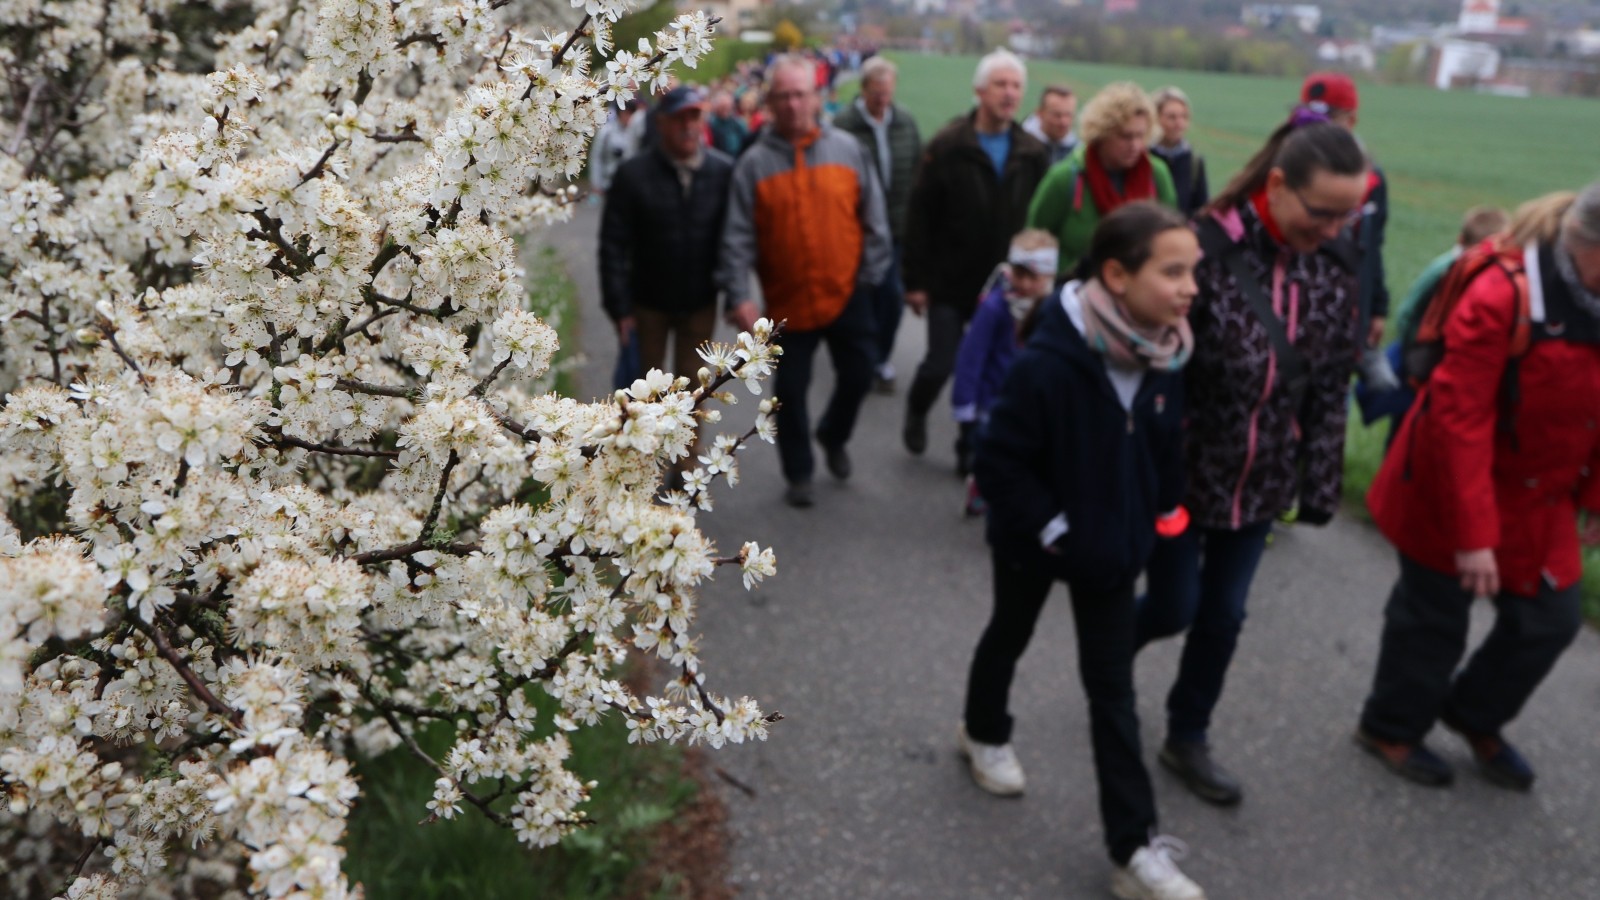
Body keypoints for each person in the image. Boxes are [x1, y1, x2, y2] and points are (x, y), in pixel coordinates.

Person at [960, 202, 1204, 900]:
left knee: (1113, 694)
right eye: (1174, 271)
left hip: (1111, 551)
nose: (1191, 288)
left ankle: (1134, 851)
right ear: (1117, 275)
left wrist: (1165, 513)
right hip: (1038, 539)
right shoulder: (1050, 361)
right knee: (1010, 632)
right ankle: (982, 731)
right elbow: (999, 460)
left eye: (1194, 271)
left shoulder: (1168, 350)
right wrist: (1055, 527)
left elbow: (1161, 443)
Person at [1135, 118, 1369, 807]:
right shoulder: (1200, 251)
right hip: (1182, 472)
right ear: (1276, 185)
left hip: (1260, 479)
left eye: (1347, 214)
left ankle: (1188, 733)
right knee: (1177, 603)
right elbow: (1153, 371)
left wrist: (1319, 481)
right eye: (1320, 211)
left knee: (1226, 614)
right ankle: (1111, 652)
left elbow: (1328, 382)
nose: (1331, 228)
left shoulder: (1333, 265)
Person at [1355, 185, 1600, 791]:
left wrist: (1596, 499)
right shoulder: (1504, 294)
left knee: (1550, 620)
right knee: (1432, 619)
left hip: (1542, 496)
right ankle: (1389, 727)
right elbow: (1457, 421)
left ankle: (1472, 714)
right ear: (1588, 249)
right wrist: (1473, 537)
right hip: (1450, 484)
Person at [717, 55, 892, 509]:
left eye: (801, 94)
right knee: (789, 393)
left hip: (847, 291)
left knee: (859, 374)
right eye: (784, 96)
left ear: (817, 98)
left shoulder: (849, 150)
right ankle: (799, 473)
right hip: (787, 301)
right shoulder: (753, 164)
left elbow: (874, 219)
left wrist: (869, 279)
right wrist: (740, 297)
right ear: (770, 102)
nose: (793, 105)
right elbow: (736, 238)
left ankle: (833, 434)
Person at [901, 48, 1049, 469]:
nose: (1009, 93)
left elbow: (1040, 223)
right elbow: (920, 216)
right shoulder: (949, 145)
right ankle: (917, 406)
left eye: (1016, 85)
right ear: (979, 90)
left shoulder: (1032, 152)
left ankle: (969, 450)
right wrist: (914, 281)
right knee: (942, 363)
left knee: (988, 367)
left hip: (1006, 285)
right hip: (951, 280)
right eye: (1000, 84)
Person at [599, 86, 734, 478]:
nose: (689, 127)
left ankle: (684, 470)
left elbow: (735, 238)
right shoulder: (633, 175)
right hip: (647, 304)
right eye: (680, 119)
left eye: (695, 117)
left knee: (694, 392)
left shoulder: (721, 171)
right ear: (661, 123)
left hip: (699, 303)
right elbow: (612, 246)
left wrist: (733, 291)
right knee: (646, 392)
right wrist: (618, 307)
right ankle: (641, 468)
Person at [1352, 205, 1508, 444]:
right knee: (1405, 416)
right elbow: (1407, 311)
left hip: (1443, 358)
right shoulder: (1443, 268)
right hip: (1419, 355)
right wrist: (1412, 343)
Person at [949, 229, 1058, 514]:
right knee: (993, 453)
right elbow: (971, 355)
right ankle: (982, 486)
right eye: (1018, 274)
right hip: (992, 400)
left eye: (1032, 277)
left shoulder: (1052, 310)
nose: (1022, 283)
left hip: (1033, 401)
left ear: (1048, 277)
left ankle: (1011, 496)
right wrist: (964, 401)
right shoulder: (996, 308)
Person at [832, 56, 923, 394]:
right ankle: (861, 357)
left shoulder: (906, 123)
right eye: (876, 92)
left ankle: (878, 356)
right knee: (862, 298)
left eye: (887, 92)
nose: (883, 99)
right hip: (856, 230)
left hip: (897, 230)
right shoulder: (843, 125)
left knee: (893, 298)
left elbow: (918, 169)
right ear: (864, 89)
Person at [1027, 82, 1179, 280]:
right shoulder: (1066, 177)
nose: (1135, 145)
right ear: (1102, 133)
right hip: (1071, 292)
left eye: (1140, 136)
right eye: (1125, 136)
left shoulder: (1156, 175)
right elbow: (1033, 239)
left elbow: (1170, 237)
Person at [1302, 72, 1390, 353]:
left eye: (1329, 118)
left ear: (1350, 121)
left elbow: (1372, 245)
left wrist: (1376, 307)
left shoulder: (1371, 180)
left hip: (1346, 310)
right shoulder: (1286, 168)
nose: (1319, 128)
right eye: (1311, 118)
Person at [1148, 87, 1208, 217]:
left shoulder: (1194, 163)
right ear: (1155, 118)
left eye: (1184, 117)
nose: (1179, 123)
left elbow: (1201, 210)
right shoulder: (1142, 157)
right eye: (1172, 117)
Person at [1022, 85, 1080, 166]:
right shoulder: (1019, 147)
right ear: (1040, 114)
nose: (1064, 122)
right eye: (1057, 115)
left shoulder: (1077, 153)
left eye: (1068, 115)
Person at [707, 89, 749, 156]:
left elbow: (746, 140)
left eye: (728, 107)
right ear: (716, 107)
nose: (725, 111)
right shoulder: (710, 122)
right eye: (723, 107)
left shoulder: (738, 122)